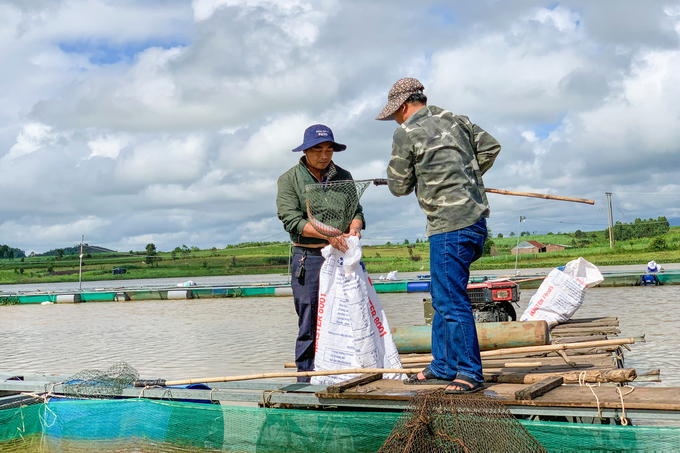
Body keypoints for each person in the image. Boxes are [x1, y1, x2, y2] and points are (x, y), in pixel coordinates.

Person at [376, 78, 501, 394]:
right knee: (443, 294)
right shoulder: (456, 119)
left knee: (449, 298)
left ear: (403, 106)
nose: (394, 118)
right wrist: (466, 178)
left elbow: (398, 186)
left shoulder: (406, 133)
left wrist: (435, 179)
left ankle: (469, 372)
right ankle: (443, 365)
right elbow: (490, 147)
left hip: (449, 224)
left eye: (394, 113)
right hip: (475, 222)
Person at [276, 124, 365, 382]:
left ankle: (347, 374)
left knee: (350, 315)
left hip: (343, 257)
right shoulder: (289, 179)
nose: (324, 155)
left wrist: (355, 228)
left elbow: (356, 211)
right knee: (310, 320)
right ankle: (305, 380)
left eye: (329, 149)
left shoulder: (344, 176)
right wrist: (328, 236)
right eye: (318, 150)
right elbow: (291, 220)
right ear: (305, 151)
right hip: (310, 258)